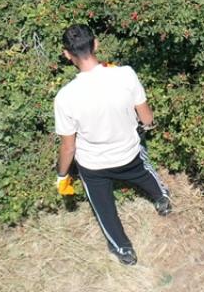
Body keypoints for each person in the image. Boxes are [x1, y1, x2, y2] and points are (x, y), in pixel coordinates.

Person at [53, 24, 171, 266]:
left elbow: (68, 148)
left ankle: (123, 249)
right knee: (144, 172)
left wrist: (62, 174)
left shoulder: (65, 97)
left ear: (67, 54)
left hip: (94, 167)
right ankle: (162, 199)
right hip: (129, 153)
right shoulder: (125, 74)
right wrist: (146, 130)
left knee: (103, 208)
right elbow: (146, 117)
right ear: (96, 44)